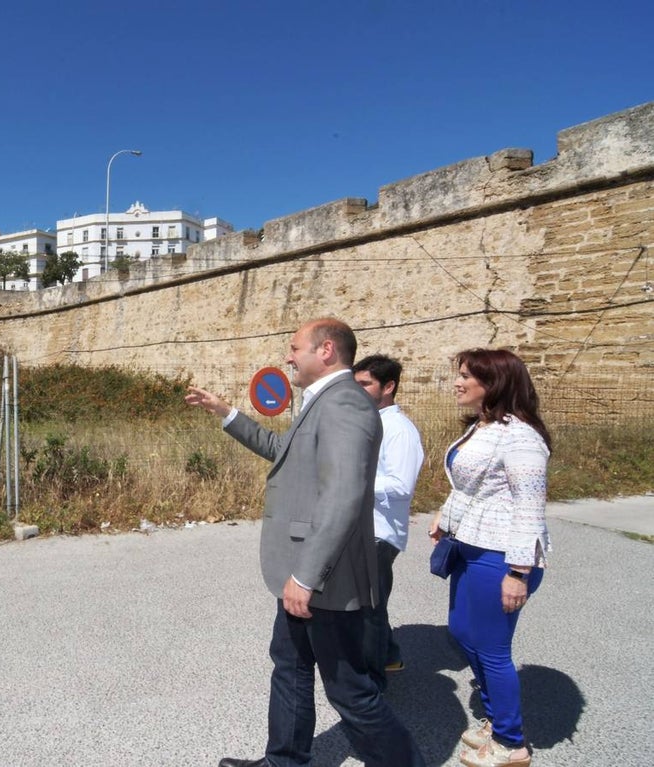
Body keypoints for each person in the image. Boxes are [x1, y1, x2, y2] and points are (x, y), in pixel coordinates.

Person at [186, 318, 425, 767]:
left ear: (327, 350)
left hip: (320, 578)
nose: (288, 357)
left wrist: (306, 575)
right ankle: (285, 761)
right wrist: (226, 413)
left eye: (295, 348)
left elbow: (343, 495)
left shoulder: (345, 405)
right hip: (300, 570)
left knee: (350, 693)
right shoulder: (324, 402)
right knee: (290, 668)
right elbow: (284, 453)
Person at [430, 349, 551, 767]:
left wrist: (519, 572)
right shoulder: (483, 428)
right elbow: (471, 489)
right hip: (470, 547)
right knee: (463, 633)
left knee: (493, 649)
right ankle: (496, 717)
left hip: (501, 556)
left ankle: (510, 741)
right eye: (459, 374)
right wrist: (446, 520)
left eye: (467, 376)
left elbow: (529, 508)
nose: (458, 382)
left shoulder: (520, 436)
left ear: (494, 383)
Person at [352, 354, 425, 690]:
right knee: (372, 602)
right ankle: (390, 655)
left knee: (367, 609)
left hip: (381, 534)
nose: (359, 389)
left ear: (389, 386)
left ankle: (372, 686)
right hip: (364, 529)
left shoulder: (399, 430)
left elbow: (401, 486)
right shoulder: (369, 422)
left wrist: (353, 481)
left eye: (366, 383)